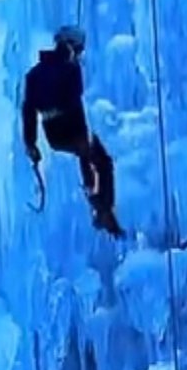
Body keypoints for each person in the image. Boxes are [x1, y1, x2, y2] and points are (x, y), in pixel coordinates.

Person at [21, 25, 125, 237]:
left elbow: (28, 111)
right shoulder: (71, 69)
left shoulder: (33, 75)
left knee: (84, 156)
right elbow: (74, 103)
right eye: (79, 50)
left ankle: (93, 196)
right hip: (72, 126)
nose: (80, 54)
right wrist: (83, 135)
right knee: (103, 162)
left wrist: (30, 143)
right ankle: (104, 210)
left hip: (53, 134)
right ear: (71, 47)